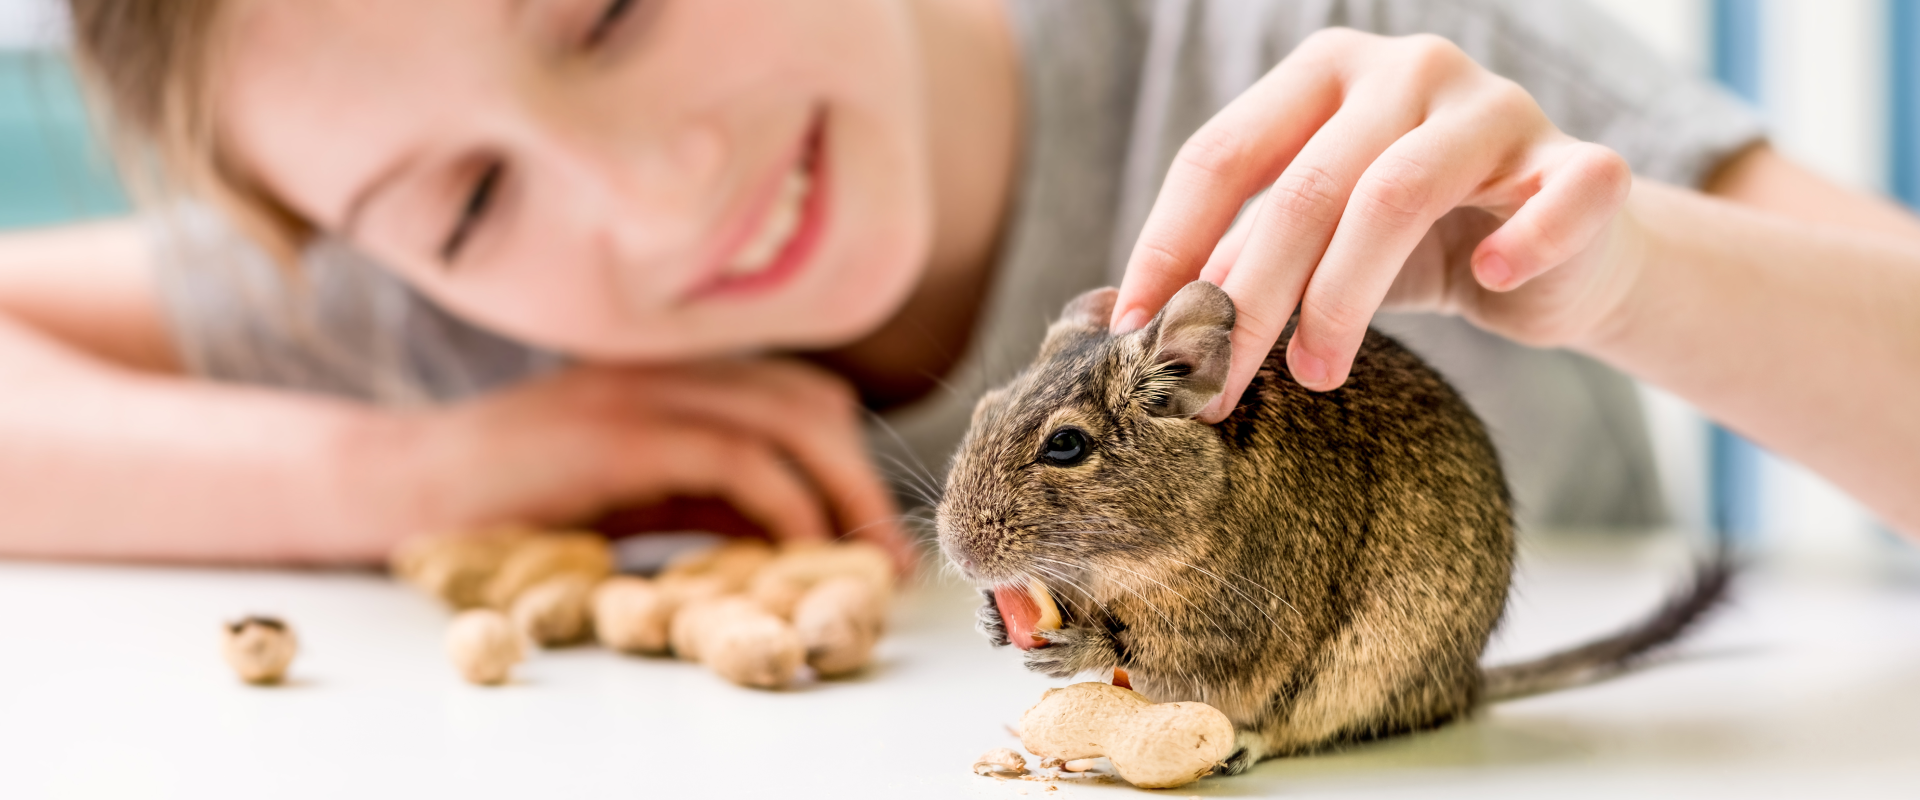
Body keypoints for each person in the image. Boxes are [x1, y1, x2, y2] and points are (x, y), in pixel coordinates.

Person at [0, 0, 1912, 566]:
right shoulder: (454, 328)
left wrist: (1631, 270)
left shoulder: (1313, 50)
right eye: (470, 199)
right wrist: (411, 475)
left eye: (612, 9)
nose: (652, 197)